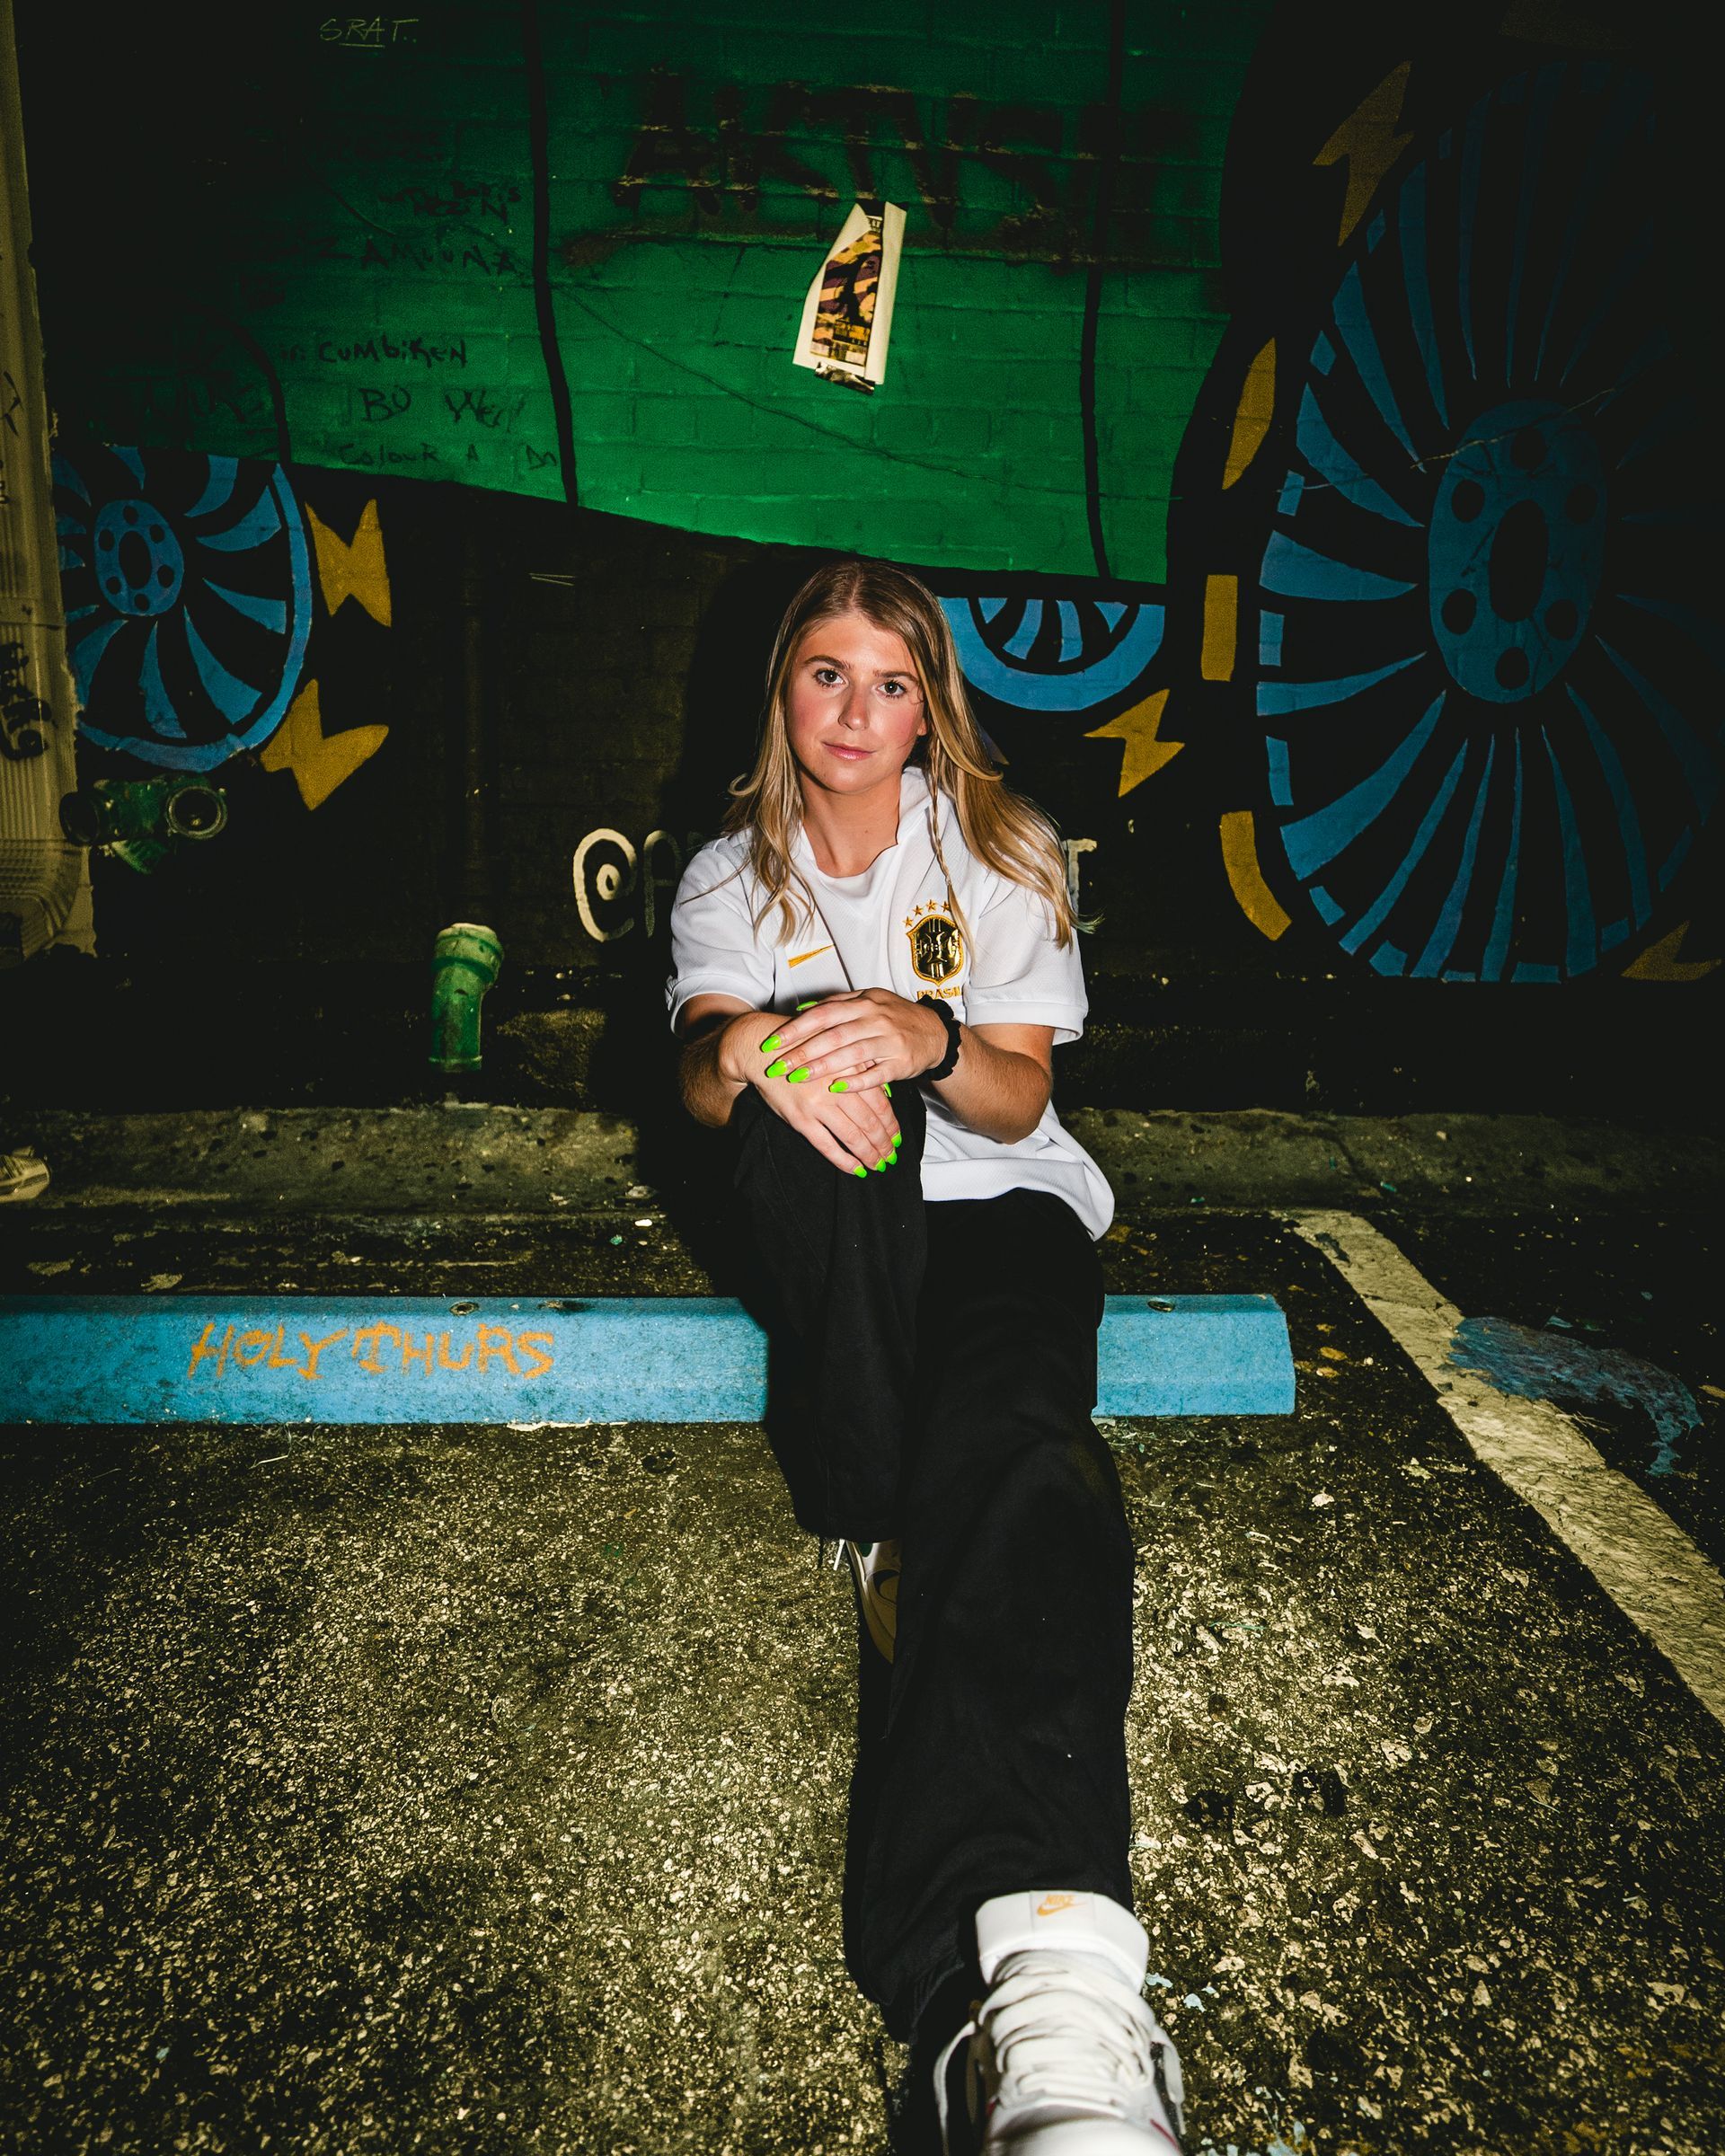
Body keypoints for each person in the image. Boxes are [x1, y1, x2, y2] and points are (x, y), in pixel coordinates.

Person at [668, 561, 1184, 2154]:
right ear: (785, 693)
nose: (857, 713)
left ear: (930, 706)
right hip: (842, 1215)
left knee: (1027, 1450)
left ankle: (1027, 1989)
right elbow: (694, 1076)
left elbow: (1024, 1099)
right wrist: (766, 1046)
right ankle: (887, 1498)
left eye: (892, 684)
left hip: (1002, 1205)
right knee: (795, 1119)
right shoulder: (724, 876)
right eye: (828, 675)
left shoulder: (1008, 855)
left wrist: (927, 1036)